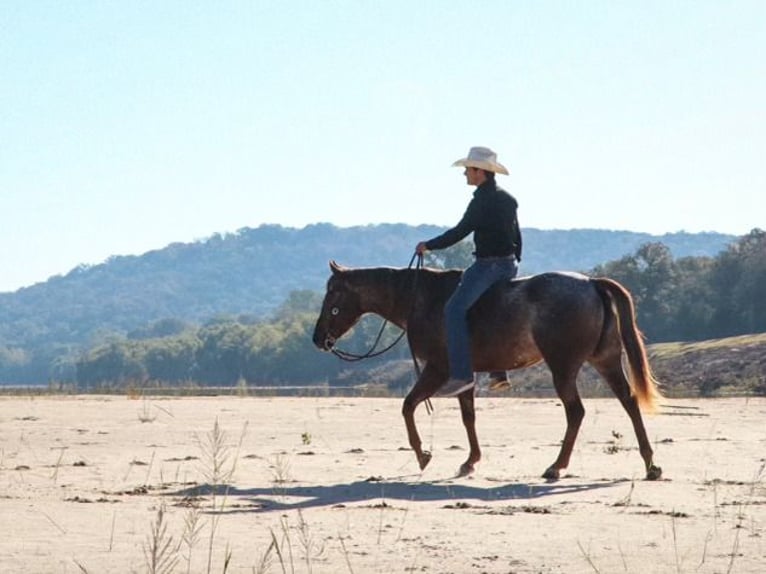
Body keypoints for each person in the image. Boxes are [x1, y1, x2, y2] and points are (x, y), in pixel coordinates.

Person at [415, 146, 522, 397]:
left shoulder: (481, 202)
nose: (465, 174)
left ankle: (462, 375)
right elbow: (517, 235)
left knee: (453, 310)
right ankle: (498, 371)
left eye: (468, 170)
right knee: (487, 307)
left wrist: (428, 246)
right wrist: (515, 260)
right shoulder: (508, 199)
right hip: (508, 264)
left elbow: (459, 232)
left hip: (488, 265)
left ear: (479, 172)